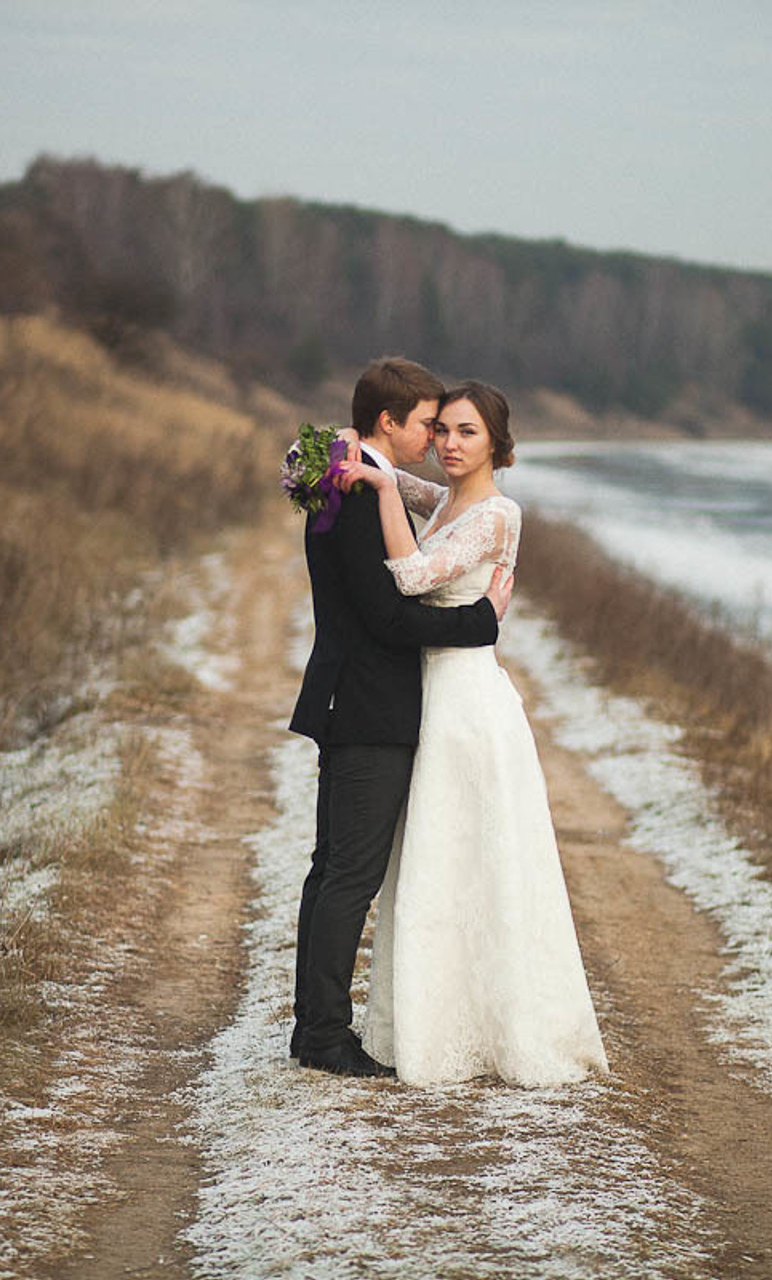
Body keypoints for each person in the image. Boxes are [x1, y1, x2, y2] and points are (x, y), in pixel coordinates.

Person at [335, 380, 608, 1087]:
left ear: (497, 445)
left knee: (476, 860)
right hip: (432, 698)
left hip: (468, 705)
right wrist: (343, 459)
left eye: (467, 434)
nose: (450, 445)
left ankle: (501, 1026)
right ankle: (432, 1016)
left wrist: (385, 490)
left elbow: (414, 575)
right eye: (444, 431)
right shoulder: (449, 499)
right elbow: (400, 477)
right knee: (436, 857)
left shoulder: (498, 514)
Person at [289, 357, 513, 1078]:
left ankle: (315, 1028)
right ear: (388, 421)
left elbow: (304, 456)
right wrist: (481, 623)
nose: (434, 439)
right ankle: (324, 1036)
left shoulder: (344, 475)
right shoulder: (357, 494)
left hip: (353, 698)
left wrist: (331, 448)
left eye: (452, 429)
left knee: (332, 872)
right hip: (370, 706)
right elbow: (389, 615)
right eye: (426, 424)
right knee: (347, 876)